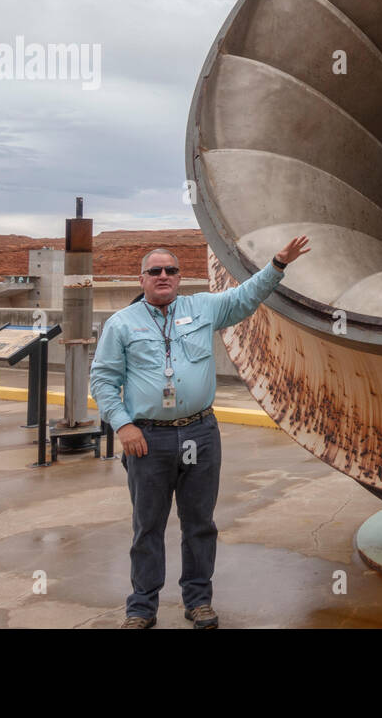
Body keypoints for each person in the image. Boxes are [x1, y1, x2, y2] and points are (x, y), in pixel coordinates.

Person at [91, 238, 310, 629]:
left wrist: (277, 264)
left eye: (170, 270)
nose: (163, 276)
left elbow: (246, 297)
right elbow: (103, 380)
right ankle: (142, 607)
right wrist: (122, 424)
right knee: (148, 527)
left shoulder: (203, 307)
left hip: (199, 433)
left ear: (180, 278)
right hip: (147, 439)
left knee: (199, 523)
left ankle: (198, 601)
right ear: (141, 279)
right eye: (155, 271)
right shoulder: (121, 324)